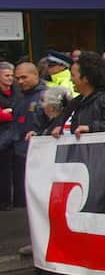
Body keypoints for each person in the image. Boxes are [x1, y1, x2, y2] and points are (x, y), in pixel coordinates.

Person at [45, 52, 105, 275]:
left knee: (93, 220)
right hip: (79, 169)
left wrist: (93, 128)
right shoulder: (78, 101)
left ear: (87, 77)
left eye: (74, 74)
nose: (72, 77)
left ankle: (93, 267)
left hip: (101, 168)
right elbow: (58, 124)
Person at [13, 61, 46, 210]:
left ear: (35, 75)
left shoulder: (47, 96)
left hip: (42, 154)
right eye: (17, 78)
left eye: (24, 77)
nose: (20, 81)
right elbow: (16, 127)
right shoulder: (19, 98)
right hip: (21, 153)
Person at [0, 62, 17, 210]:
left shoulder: (17, 91)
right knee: (4, 170)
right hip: (2, 137)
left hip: (16, 135)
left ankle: (18, 201)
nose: (10, 78)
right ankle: (4, 202)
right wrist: (11, 113)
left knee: (17, 169)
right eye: (7, 75)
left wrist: (9, 112)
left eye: (12, 75)